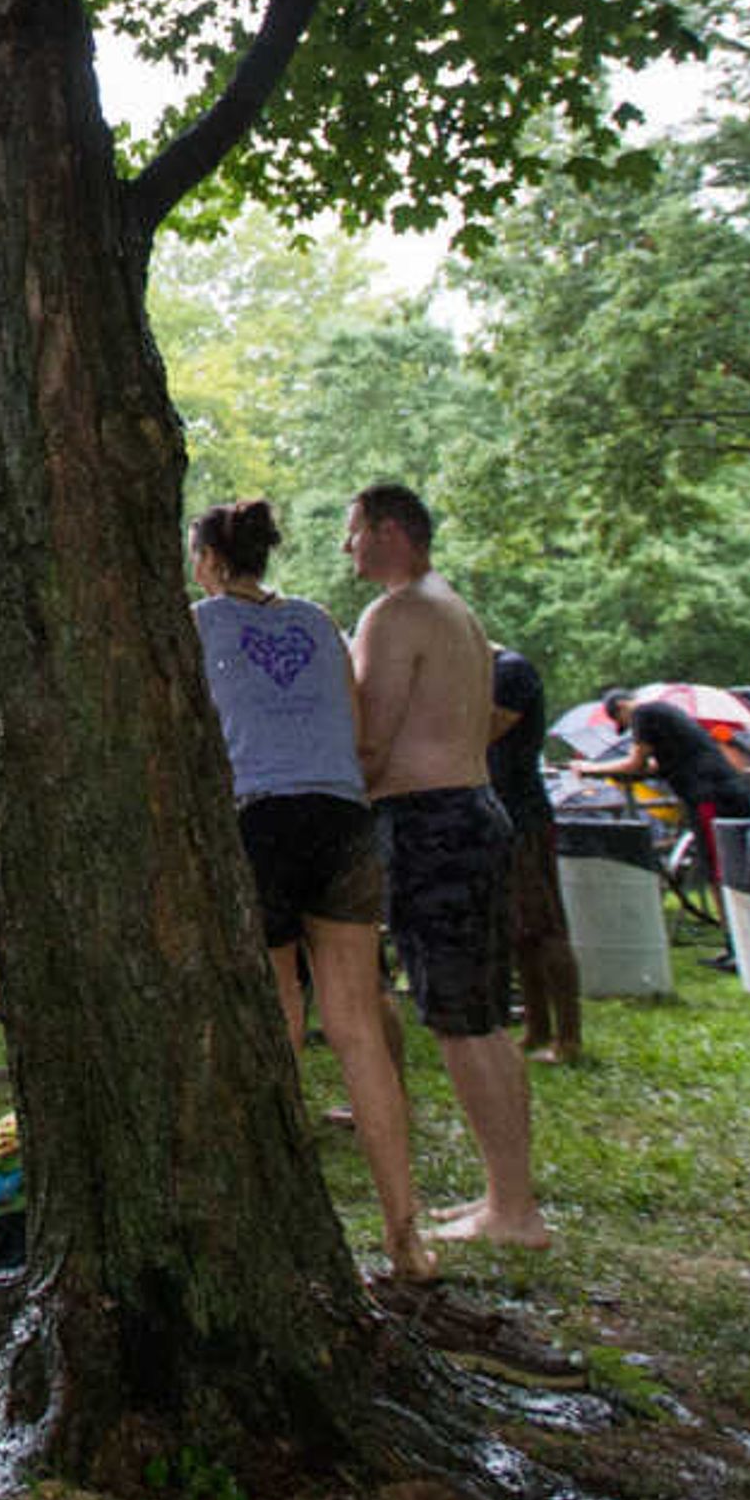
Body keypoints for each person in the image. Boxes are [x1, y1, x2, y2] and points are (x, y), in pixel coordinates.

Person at [188, 500, 431, 1280]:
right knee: (358, 1025)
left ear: (209, 559)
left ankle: (274, 1216)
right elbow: (355, 725)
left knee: (281, 1017)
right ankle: (406, 1235)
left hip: (260, 818)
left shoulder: (198, 624)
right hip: (340, 814)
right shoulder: (322, 622)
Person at [343, 483, 549, 1251]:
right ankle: (508, 1195)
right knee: (484, 1019)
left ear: (390, 531)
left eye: (354, 531)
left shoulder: (397, 614)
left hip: (432, 823)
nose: (347, 547)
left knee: (464, 1021)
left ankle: (515, 1210)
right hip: (472, 811)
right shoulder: (453, 608)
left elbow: (370, 741)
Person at [574, 689, 750, 972]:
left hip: (710, 795)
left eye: (625, 726)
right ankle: (737, 945)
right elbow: (651, 767)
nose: (631, 733)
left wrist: (588, 769)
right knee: (723, 868)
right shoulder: (667, 717)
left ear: (622, 708)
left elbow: (634, 762)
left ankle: (741, 948)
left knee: (721, 871)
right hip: (721, 792)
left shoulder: (644, 713)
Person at [486, 644, 581, 1065]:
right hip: (497, 814)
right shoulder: (489, 673)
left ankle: (569, 1037)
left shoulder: (511, 671)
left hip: (523, 816)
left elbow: (485, 729)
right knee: (518, 929)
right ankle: (537, 1027)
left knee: (545, 926)